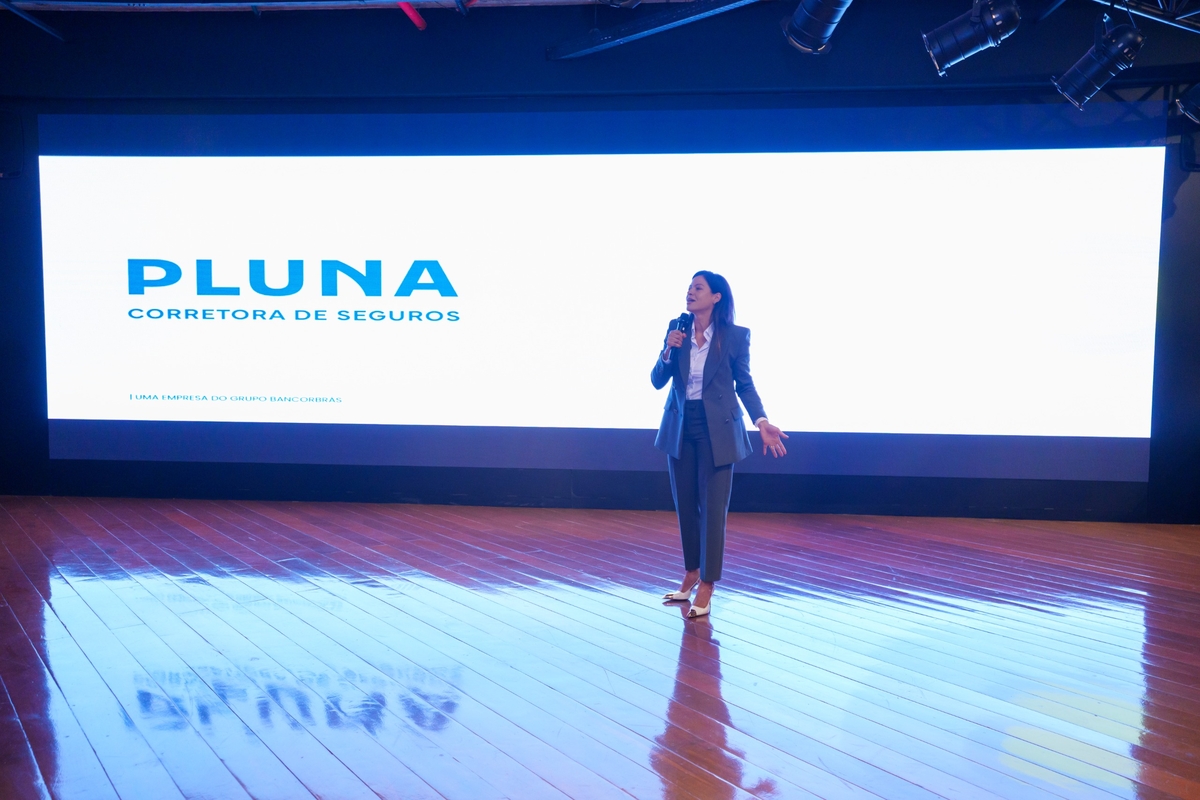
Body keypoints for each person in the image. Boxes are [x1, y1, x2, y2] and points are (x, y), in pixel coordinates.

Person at [651, 271, 788, 618]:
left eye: (698, 288)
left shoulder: (735, 336)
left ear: (716, 297)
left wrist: (761, 421)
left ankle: (708, 583)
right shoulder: (677, 329)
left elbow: (744, 383)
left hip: (719, 430)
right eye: (689, 287)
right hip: (680, 426)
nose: (690, 292)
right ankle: (692, 571)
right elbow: (657, 380)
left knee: (713, 509)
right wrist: (668, 350)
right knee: (685, 505)